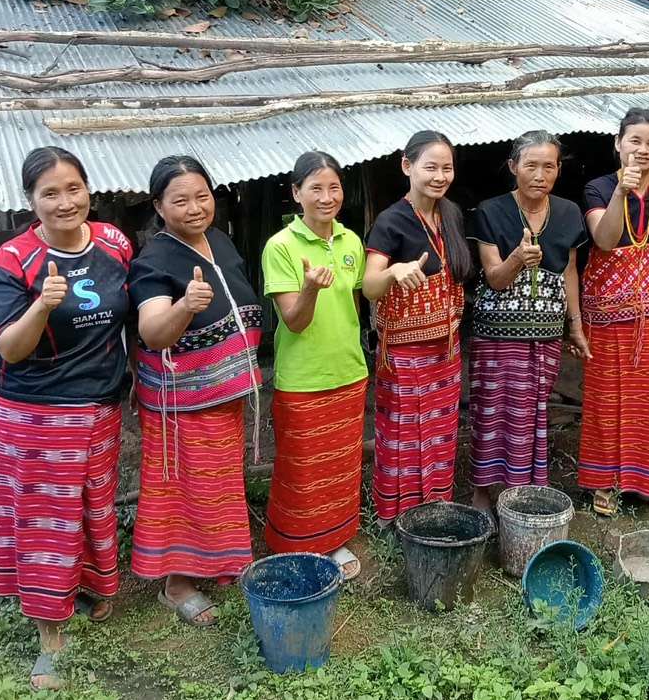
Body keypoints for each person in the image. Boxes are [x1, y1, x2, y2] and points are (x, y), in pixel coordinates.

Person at [0, 147, 132, 690]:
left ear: (88, 189)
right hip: (37, 412)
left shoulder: (114, 243)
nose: (65, 202)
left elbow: (127, 318)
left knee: (93, 502)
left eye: (74, 189)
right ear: (31, 201)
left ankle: (90, 583)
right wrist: (42, 305)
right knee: (49, 519)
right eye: (50, 193)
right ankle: (50, 636)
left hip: (101, 403)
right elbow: (11, 351)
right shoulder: (13, 262)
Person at [129, 156, 262, 626]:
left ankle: (223, 563)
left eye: (202, 196)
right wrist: (185, 305)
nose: (194, 208)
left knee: (220, 486)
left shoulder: (219, 242)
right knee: (184, 490)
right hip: (180, 406)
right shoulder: (153, 261)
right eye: (180, 200)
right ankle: (177, 584)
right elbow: (153, 331)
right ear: (159, 207)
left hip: (222, 396)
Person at [468, 131, 590, 514]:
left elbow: (570, 270)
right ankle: (484, 493)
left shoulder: (569, 212)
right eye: (531, 165)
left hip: (547, 332)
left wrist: (576, 326)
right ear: (513, 167)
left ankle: (527, 489)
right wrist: (518, 257)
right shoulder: (489, 211)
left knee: (535, 411)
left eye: (549, 166)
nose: (540, 174)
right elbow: (494, 278)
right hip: (497, 332)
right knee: (494, 410)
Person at [261, 151, 368, 579]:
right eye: (316, 188)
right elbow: (294, 319)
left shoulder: (351, 242)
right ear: (296, 193)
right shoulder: (281, 246)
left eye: (334, 187)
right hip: (303, 377)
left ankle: (334, 540)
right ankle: (296, 545)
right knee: (302, 469)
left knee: (341, 465)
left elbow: (354, 308)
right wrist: (309, 289)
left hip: (349, 370)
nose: (326, 197)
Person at [578, 108, 649, 518]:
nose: (643, 149)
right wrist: (621, 193)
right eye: (635, 140)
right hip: (608, 316)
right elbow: (604, 241)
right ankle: (604, 481)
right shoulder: (598, 187)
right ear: (618, 143)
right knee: (608, 398)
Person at [363, 131, 471, 523]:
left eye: (447, 168)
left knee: (441, 430)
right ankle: (397, 513)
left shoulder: (452, 215)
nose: (440, 176)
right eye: (430, 167)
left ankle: (435, 505)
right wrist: (392, 271)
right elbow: (368, 286)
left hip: (446, 349)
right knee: (403, 433)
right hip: (405, 355)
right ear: (407, 166)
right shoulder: (391, 221)